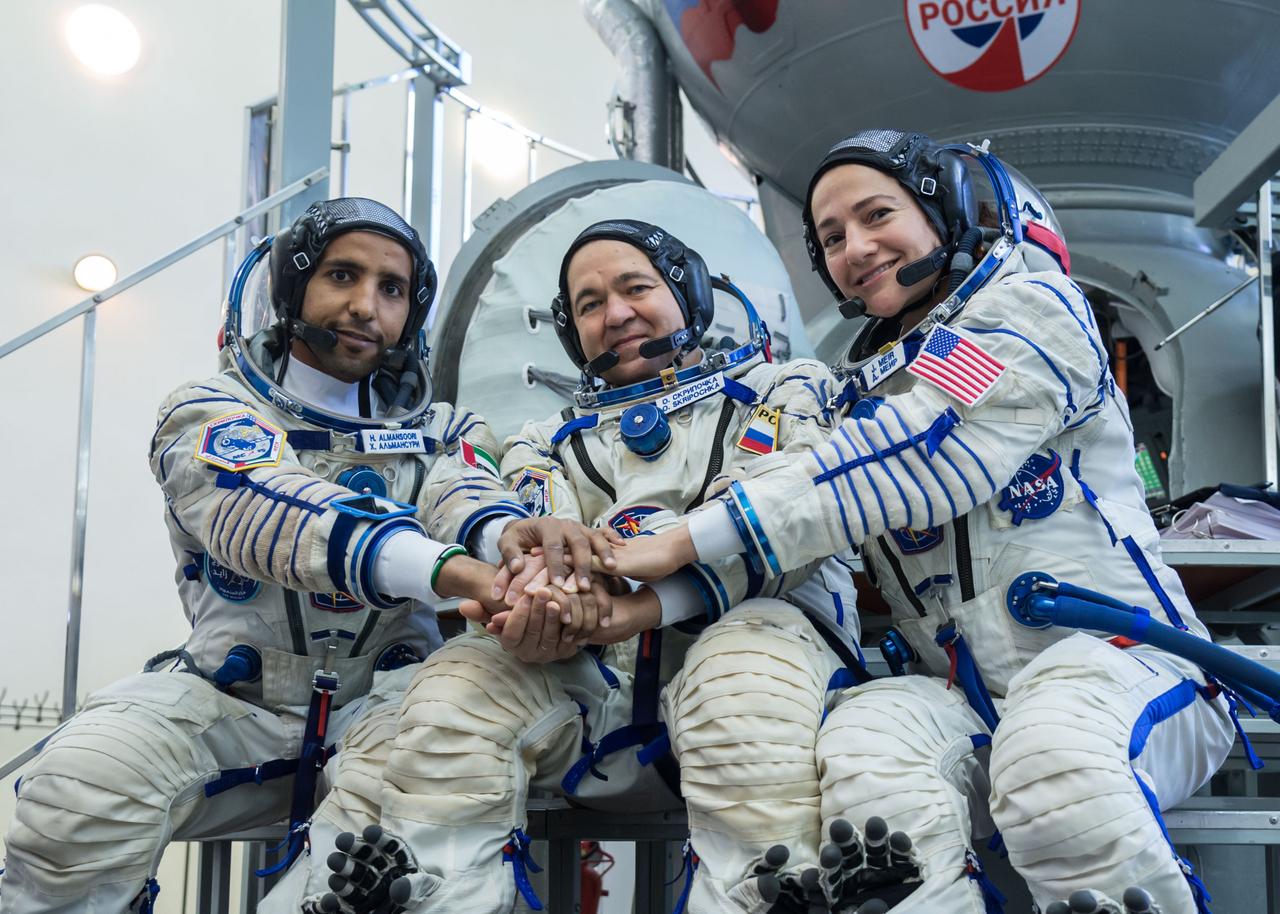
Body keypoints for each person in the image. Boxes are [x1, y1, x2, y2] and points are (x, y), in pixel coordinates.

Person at [607, 132, 1237, 914]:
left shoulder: (1032, 311)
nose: (856, 248)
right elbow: (789, 480)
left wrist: (684, 536)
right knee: (866, 759)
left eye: (878, 215)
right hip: (967, 695)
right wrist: (626, 582)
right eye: (832, 238)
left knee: (1055, 769)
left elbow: (926, 450)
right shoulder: (848, 396)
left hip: (1119, 667)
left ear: (951, 213)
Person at [0, 197, 602, 914]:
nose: (365, 307)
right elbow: (272, 510)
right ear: (292, 288)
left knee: (377, 866)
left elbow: (464, 491)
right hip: (231, 699)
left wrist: (505, 541)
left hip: (387, 705)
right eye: (341, 276)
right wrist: (452, 572)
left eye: (391, 289)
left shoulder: (440, 429)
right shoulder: (211, 409)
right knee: (79, 785)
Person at [309, 219, 876, 914]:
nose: (615, 315)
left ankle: (765, 889)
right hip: (598, 694)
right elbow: (530, 543)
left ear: (690, 293)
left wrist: (637, 594)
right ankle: (431, 890)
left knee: (740, 660)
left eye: (636, 288)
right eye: (587, 305)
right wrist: (543, 607)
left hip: (765, 686)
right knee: (462, 677)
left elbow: (786, 514)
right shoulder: (543, 442)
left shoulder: (785, 390)